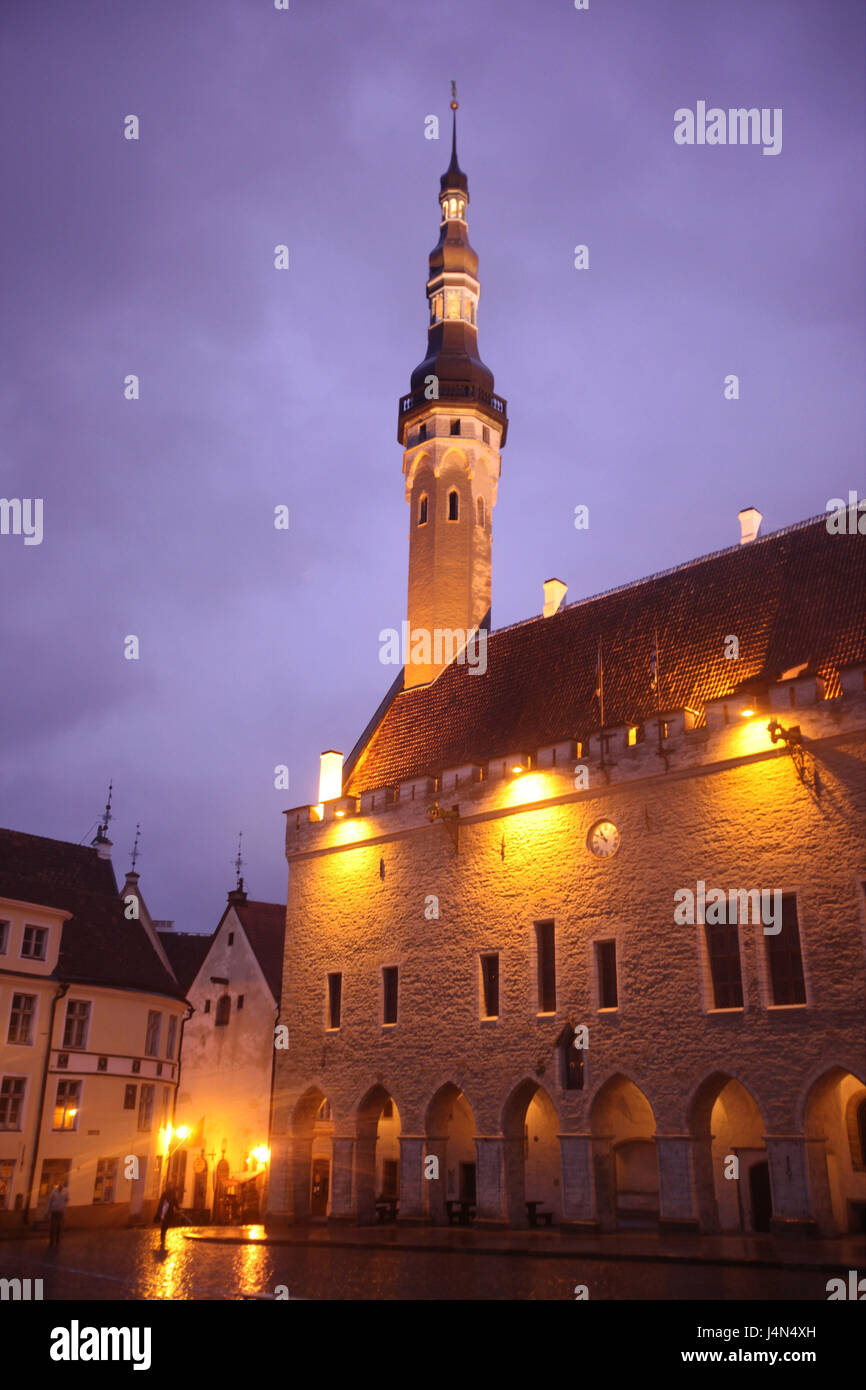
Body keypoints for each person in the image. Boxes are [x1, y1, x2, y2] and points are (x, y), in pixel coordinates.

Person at [46, 1182, 68, 1247]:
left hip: (60, 1212)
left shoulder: (65, 1192)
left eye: (62, 1186)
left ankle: (57, 1239)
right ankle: (51, 1241)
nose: (61, 1187)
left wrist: (64, 1213)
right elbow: (50, 1201)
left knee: (59, 1226)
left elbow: (66, 1202)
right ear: (58, 1186)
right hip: (54, 1211)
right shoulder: (53, 1192)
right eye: (60, 1186)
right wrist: (47, 1211)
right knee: (53, 1227)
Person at [156, 1185, 178, 1250]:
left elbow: (161, 1202)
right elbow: (175, 1202)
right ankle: (163, 1235)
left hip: (165, 1211)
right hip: (168, 1211)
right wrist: (177, 1207)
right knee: (165, 1224)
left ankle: (163, 1235)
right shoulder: (171, 1194)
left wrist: (159, 1210)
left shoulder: (166, 1194)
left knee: (164, 1224)